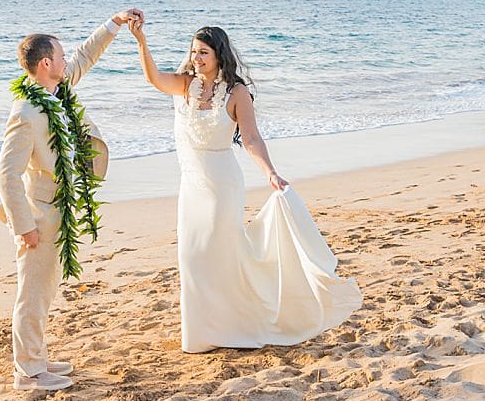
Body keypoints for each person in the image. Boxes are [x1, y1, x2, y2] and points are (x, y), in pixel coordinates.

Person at [128, 20, 361, 353]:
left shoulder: (236, 93)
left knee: (219, 253)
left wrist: (270, 173)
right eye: (193, 52)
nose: (197, 58)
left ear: (219, 55)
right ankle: (204, 333)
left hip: (222, 185)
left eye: (204, 52)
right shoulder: (185, 86)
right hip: (191, 186)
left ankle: (234, 324)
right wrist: (141, 41)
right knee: (193, 256)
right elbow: (153, 78)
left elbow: (250, 137)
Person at [0, 8, 143, 389]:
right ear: (46, 64)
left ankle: (37, 356)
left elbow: (86, 54)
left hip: (62, 205)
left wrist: (115, 22)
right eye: (60, 56)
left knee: (46, 289)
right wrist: (24, 225)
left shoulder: (57, 90)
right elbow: (7, 175)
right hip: (38, 212)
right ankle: (28, 371)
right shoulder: (26, 111)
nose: (67, 60)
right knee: (32, 292)